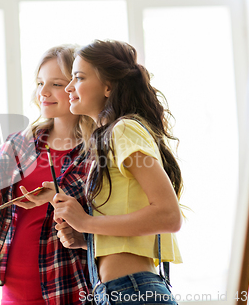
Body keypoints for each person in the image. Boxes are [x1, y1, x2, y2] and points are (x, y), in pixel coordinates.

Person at [0, 45, 95, 304]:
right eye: (39, 83)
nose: (43, 92)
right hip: (14, 295)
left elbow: (110, 226)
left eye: (55, 84)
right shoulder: (19, 145)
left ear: (75, 88)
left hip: (70, 291)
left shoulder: (96, 152)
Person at [51, 39, 183, 305]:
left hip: (131, 291)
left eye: (78, 77)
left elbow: (169, 216)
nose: (68, 87)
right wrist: (88, 238)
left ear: (108, 86)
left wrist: (86, 223)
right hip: (121, 290)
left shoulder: (123, 130)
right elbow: (134, 230)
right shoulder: (113, 135)